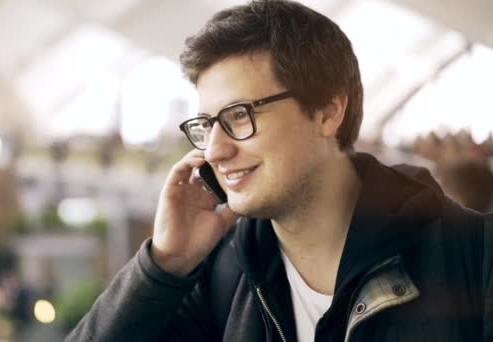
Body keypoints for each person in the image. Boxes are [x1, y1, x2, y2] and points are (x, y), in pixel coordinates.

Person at [66, 1, 493, 341]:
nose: (215, 150)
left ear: (328, 112)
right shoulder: (225, 276)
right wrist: (164, 264)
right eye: (207, 124)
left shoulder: (472, 258)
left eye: (238, 115)